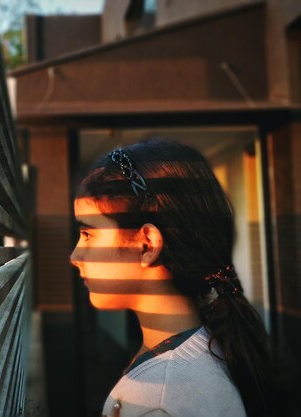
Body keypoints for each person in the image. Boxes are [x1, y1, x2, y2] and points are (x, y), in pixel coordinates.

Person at [70, 139, 278, 417]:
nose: (75, 256)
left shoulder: (162, 399)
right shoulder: (199, 348)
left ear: (146, 245)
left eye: (87, 234)